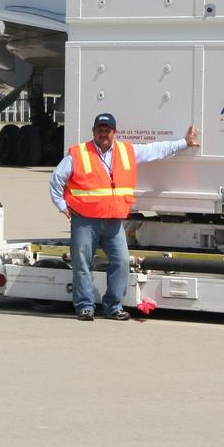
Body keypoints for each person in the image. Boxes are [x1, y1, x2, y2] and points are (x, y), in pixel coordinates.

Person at [49, 113, 198, 320]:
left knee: (121, 262)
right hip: (85, 220)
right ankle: (85, 306)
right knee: (82, 263)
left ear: (114, 133)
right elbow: (56, 179)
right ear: (93, 132)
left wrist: (183, 143)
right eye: (100, 130)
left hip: (113, 221)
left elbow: (155, 150)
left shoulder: (127, 151)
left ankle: (113, 306)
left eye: (107, 130)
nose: (103, 134)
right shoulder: (79, 153)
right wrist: (61, 205)